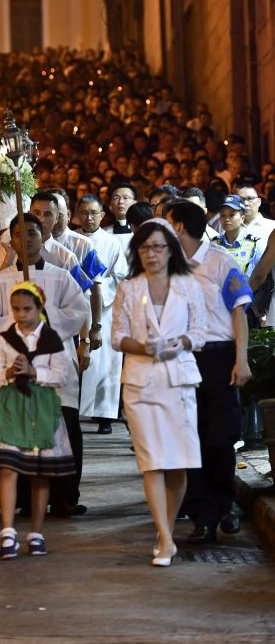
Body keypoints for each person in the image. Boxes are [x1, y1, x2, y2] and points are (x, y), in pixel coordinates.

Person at [111, 218, 207, 566]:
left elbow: (199, 331)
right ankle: (166, 540)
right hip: (140, 382)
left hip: (178, 380)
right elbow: (116, 336)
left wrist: (178, 343)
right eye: (145, 247)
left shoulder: (187, 284)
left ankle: (163, 529)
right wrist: (143, 347)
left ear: (171, 250)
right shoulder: (129, 288)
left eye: (158, 247)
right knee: (152, 462)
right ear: (137, 252)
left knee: (178, 464)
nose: (152, 254)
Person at [166, 200, 253, 542]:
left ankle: (224, 503)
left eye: (168, 224)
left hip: (219, 359)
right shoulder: (169, 267)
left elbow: (240, 312)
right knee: (190, 438)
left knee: (221, 438)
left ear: (180, 228)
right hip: (184, 358)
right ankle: (203, 515)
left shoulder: (220, 261)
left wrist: (241, 358)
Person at [0, 281, 75, 559]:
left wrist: (35, 372)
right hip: (12, 406)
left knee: (39, 471)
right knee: (9, 468)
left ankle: (36, 532)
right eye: (16, 309)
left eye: (27, 309)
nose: (21, 315)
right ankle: (8, 532)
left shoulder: (52, 339)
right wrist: (10, 372)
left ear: (39, 308)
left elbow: (63, 375)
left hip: (42, 406)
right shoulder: (4, 340)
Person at [76, 194, 128, 434]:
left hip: (104, 309)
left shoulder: (111, 242)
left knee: (105, 360)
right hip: (74, 306)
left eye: (93, 213)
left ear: (101, 215)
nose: (88, 217)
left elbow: (119, 276)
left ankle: (105, 414)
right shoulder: (71, 239)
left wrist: (96, 289)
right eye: (84, 212)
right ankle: (74, 409)